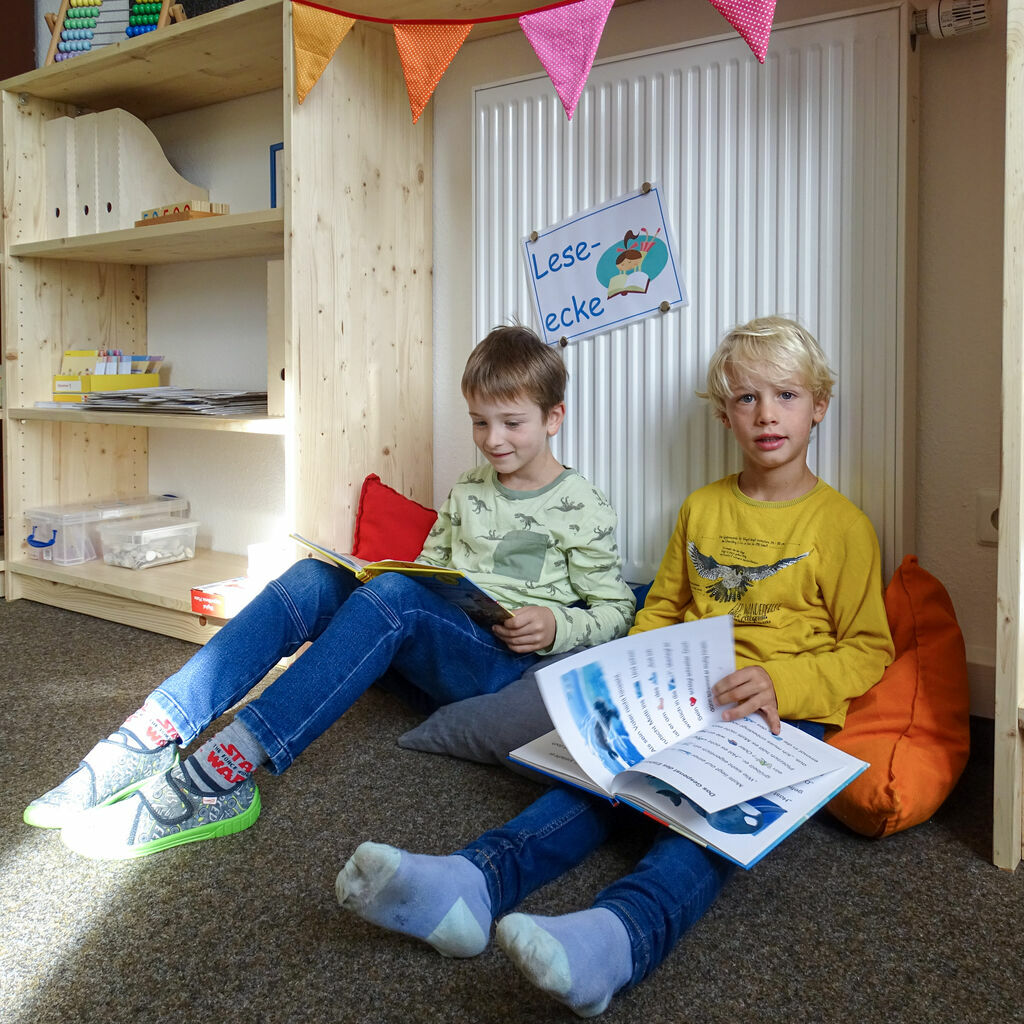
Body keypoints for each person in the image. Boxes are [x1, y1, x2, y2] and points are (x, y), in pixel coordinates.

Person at [335, 315, 895, 1017]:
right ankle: (472, 883)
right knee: (594, 781)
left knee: (701, 828)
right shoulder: (702, 508)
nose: (766, 415)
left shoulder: (842, 525)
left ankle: (620, 935)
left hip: (780, 715)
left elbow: (867, 648)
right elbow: (658, 609)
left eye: (786, 395)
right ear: (724, 415)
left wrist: (784, 682)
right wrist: (638, 681)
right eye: (747, 398)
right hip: (686, 696)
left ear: (819, 406)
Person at [27, 325, 636, 859]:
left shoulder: (582, 504)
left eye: (512, 423)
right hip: (432, 642)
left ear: (553, 418)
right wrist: (377, 574)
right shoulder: (470, 489)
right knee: (313, 578)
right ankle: (156, 731)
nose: (493, 439)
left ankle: (227, 770)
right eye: (479, 422)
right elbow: (430, 569)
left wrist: (555, 625)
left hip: (500, 663)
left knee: (394, 597)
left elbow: (617, 609)